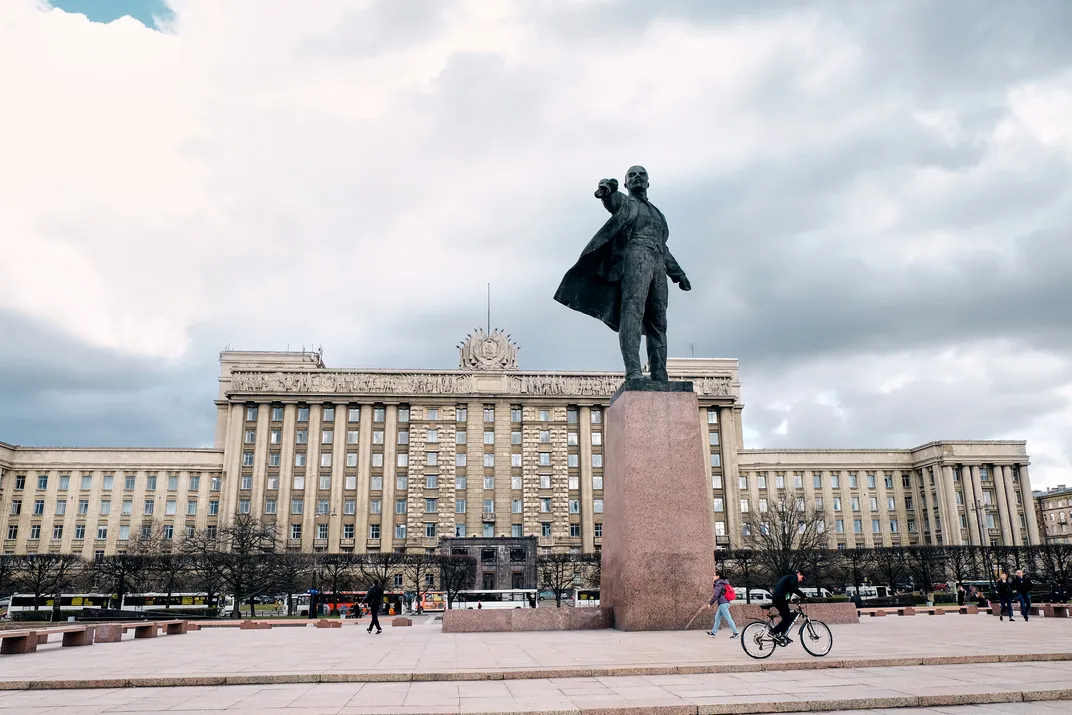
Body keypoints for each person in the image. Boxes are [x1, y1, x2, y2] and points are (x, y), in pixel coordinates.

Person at [554, 166, 692, 382]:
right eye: (632, 175)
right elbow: (611, 198)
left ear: (648, 182)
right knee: (632, 314)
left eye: (642, 175)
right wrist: (607, 189)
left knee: (659, 321)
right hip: (635, 257)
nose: (637, 177)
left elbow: (663, 247)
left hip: (658, 263)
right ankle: (633, 370)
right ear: (626, 184)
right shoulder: (625, 202)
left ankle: (659, 373)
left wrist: (678, 274)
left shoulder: (658, 214)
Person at [770, 570, 807, 645]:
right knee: (787, 619)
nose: (801, 581)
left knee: (787, 618)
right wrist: (803, 596)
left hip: (778, 598)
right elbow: (793, 589)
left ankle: (782, 635)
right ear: (799, 574)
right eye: (802, 578)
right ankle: (774, 632)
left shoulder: (789, 577)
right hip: (780, 599)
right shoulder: (793, 577)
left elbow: (787, 590)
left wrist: (789, 599)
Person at [707, 570, 738, 639]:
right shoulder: (723, 583)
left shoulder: (719, 584)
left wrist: (710, 603)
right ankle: (713, 632)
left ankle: (736, 633)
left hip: (723, 604)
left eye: (714, 575)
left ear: (718, 576)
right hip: (725, 602)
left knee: (728, 618)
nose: (713, 576)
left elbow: (716, 595)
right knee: (717, 617)